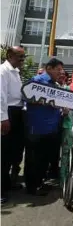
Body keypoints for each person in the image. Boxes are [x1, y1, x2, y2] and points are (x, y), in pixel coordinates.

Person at [24, 58, 64, 195]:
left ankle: (40, 183)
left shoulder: (55, 84)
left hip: (51, 128)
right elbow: (26, 97)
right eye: (58, 69)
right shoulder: (37, 80)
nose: (61, 72)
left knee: (44, 158)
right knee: (33, 158)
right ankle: (31, 187)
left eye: (61, 70)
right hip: (37, 127)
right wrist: (47, 101)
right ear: (49, 68)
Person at [0, 46, 26, 203]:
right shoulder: (3, 71)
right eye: (20, 56)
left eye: (24, 56)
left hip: (17, 113)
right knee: (3, 155)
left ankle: (7, 184)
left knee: (12, 153)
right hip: (7, 114)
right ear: (9, 55)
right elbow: (0, 96)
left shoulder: (15, 72)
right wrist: (3, 118)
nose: (22, 59)